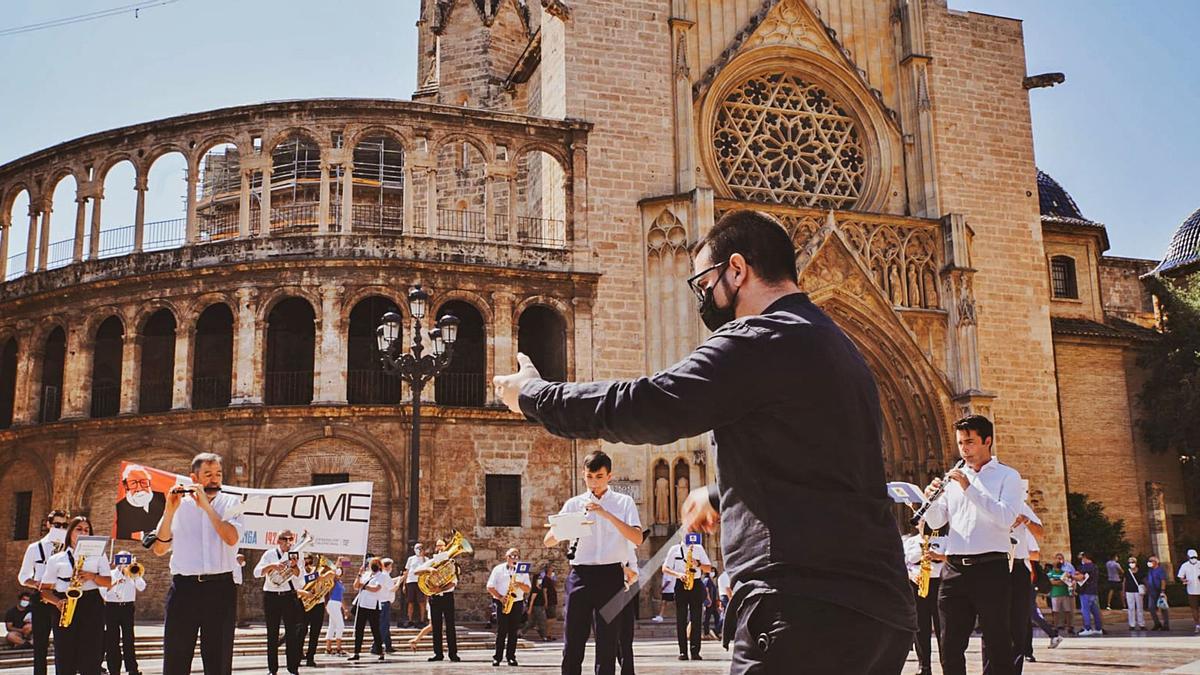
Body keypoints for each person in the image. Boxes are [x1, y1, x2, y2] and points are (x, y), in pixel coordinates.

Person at [497, 209, 915, 673]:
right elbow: (827, 461)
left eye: (704, 282)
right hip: (883, 614)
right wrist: (723, 492)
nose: (703, 298)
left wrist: (534, 396)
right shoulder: (839, 346)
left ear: (738, 269)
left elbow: (647, 404)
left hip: (802, 608)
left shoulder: (757, 337)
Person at [922, 414, 1023, 675]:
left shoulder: (1007, 477)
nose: (964, 449)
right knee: (950, 645)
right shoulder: (952, 480)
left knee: (998, 643)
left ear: (987, 441)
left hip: (991, 568)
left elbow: (1005, 518)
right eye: (960, 443)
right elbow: (937, 521)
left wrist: (969, 488)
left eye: (969, 442)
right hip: (954, 570)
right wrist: (926, 502)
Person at [538, 451, 642, 675]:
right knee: (573, 640)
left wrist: (606, 515)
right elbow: (548, 541)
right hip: (580, 575)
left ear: (609, 476)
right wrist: (569, 526)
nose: (593, 482)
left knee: (607, 643)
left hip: (611, 576)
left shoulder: (624, 502)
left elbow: (637, 538)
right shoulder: (574, 503)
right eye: (589, 476)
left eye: (599, 476)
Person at [150, 452, 244, 675]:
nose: (214, 480)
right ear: (194, 478)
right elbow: (160, 548)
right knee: (176, 657)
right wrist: (169, 510)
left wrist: (207, 508)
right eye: (208, 474)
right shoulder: (179, 504)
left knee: (218, 660)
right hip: (185, 589)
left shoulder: (233, 502)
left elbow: (231, 538)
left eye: (218, 474)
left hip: (220, 588)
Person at [40, 516, 112, 675]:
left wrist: (92, 576)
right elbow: (44, 591)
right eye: (79, 529)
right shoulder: (56, 559)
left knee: (92, 655)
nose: (83, 532)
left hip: (92, 603)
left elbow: (108, 582)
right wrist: (57, 602)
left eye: (87, 530)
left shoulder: (99, 556)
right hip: (64, 604)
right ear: (70, 532)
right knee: (65, 655)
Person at [17, 509, 69, 675]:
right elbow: (23, 576)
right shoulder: (35, 548)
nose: (61, 528)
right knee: (40, 644)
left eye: (65, 525)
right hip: (40, 598)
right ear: (48, 524)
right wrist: (37, 583)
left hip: (62, 598)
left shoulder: (69, 549)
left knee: (63, 643)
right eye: (57, 525)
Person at [253, 529, 308, 675]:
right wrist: (272, 566)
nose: (290, 542)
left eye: (291, 539)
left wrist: (295, 566)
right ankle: (272, 669)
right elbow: (256, 572)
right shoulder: (269, 554)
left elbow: (300, 579)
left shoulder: (297, 554)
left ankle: (293, 668)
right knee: (272, 633)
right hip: (271, 597)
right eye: (286, 539)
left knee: (292, 634)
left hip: (289, 596)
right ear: (279, 540)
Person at [904, 525, 946, 675]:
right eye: (923, 521)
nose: (926, 524)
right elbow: (903, 564)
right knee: (921, 626)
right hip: (918, 585)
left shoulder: (943, 540)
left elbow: (952, 559)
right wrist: (911, 576)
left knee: (943, 627)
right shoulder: (910, 542)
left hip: (939, 584)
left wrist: (937, 556)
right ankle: (924, 666)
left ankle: (946, 664)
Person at [662, 536, 712, 660]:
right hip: (681, 584)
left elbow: (709, 568)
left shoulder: (699, 548)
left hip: (696, 583)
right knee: (681, 618)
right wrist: (678, 574)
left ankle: (695, 651)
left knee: (696, 618)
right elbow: (665, 568)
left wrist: (698, 564)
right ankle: (683, 651)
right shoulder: (674, 549)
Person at [103, 551, 147, 675]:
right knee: (112, 640)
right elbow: (103, 592)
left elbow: (142, 587)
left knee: (129, 639)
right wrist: (115, 582)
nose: (124, 563)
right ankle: (114, 669)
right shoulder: (110, 574)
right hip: (111, 608)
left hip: (127, 608)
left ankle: (132, 668)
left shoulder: (133, 574)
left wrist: (135, 574)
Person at [418, 539, 461, 662]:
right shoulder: (431, 562)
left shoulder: (451, 564)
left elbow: (453, 583)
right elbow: (416, 571)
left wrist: (439, 588)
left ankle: (453, 654)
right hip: (434, 598)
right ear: (436, 548)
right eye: (438, 546)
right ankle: (438, 654)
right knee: (436, 626)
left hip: (447, 597)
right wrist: (429, 570)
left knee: (450, 626)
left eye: (442, 546)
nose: (440, 548)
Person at [487, 548, 531, 667]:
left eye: (517, 556)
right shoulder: (498, 569)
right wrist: (501, 597)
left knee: (513, 631)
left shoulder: (522, 570)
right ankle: (497, 657)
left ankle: (511, 657)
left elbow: (528, 589)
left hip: (517, 602)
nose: (515, 558)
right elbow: (489, 587)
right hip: (502, 601)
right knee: (501, 631)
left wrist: (519, 584)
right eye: (512, 556)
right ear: (507, 557)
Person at [348, 557, 386, 662]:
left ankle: (380, 651)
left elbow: (376, 588)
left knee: (375, 630)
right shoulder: (366, 574)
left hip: (373, 605)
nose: (373, 565)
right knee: (359, 629)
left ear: (379, 565)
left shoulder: (381, 576)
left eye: (375, 563)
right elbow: (356, 586)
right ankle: (356, 652)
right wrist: (359, 574)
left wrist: (364, 586)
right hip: (361, 604)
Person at [115, 465, 166, 541]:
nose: (139, 488)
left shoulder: (162, 498)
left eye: (144, 482)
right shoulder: (121, 508)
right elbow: (123, 538)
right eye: (133, 483)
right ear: (126, 486)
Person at [615, 542, 639, 675]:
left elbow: (635, 572)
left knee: (626, 636)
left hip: (624, 591)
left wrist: (628, 579)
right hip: (603, 594)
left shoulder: (628, 547)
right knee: (607, 638)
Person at [300, 553, 327, 667]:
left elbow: (330, 577)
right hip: (304, 604)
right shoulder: (299, 572)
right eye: (305, 560)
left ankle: (310, 657)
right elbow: (302, 581)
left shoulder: (318, 571)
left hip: (318, 604)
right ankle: (298, 654)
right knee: (301, 631)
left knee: (315, 633)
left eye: (309, 560)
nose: (307, 562)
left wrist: (324, 577)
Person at [1076, 552, 1103, 636]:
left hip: (1085, 591)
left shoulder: (1085, 567)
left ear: (1085, 558)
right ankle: (1098, 628)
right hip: (1094, 591)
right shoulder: (1095, 567)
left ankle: (1087, 628)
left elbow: (1080, 577)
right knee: (1095, 611)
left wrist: (1070, 576)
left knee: (1085, 610)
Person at [324, 557, 348, 656]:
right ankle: (338, 648)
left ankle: (328, 648)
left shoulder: (340, 582)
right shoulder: (332, 581)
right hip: (332, 603)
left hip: (337, 604)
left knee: (332, 626)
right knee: (340, 625)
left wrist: (345, 608)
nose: (340, 573)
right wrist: (338, 561)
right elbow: (333, 570)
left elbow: (341, 597)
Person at [401, 544, 428, 629]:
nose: (419, 550)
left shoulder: (426, 559)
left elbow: (427, 569)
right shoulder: (411, 559)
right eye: (417, 548)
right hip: (410, 582)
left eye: (420, 548)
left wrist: (423, 557)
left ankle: (422, 620)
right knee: (410, 602)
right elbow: (407, 571)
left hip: (421, 582)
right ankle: (410, 620)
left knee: (421, 602)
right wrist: (404, 584)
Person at [374, 558, 397, 654]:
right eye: (391, 566)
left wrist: (400, 578)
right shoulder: (385, 576)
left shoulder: (381, 575)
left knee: (385, 625)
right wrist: (399, 582)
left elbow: (389, 582)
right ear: (387, 567)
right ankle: (375, 647)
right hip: (384, 603)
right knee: (383, 626)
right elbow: (393, 588)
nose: (392, 568)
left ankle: (388, 646)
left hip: (380, 602)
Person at [526, 561, 551, 641]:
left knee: (532, 622)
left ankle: (521, 633)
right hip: (537, 604)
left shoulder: (539, 580)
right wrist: (530, 608)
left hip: (538, 603)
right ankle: (544, 636)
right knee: (542, 620)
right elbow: (534, 595)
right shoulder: (537, 584)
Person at [1177, 549, 1200, 634]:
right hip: (1191, 590)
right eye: (1191, 557)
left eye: (1194, 557)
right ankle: (1197, 625)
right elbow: (1180, 576)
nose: (1193, 559)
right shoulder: (1185, 566)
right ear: (1188, 557)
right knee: (1194, 608)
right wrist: (1184, 580)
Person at [1047, 560, 1072, 636]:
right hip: (1055, 594)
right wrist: (1061, 581)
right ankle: (1055, 626)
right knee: (1055, 611)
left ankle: (1068, 626)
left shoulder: (1064, 573)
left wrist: (1058, 581)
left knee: (1067, 611)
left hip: (1064, 594)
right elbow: (1052, 582)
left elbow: (1069, 582)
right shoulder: (1050, 573)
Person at [1146, 555, 1170, 632]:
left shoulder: (1160, 570)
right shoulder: (1150, 571)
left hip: (1159, 591)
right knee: (1151, 608)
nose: (1149, 562)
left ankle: (1166, 625)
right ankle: (1157, 623)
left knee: (1163, 608)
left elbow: (1163, 581)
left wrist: (1162, 591)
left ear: (1156, 562)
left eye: (1151, 561)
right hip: (1151, 592)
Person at [1123, 556, 1147, 631]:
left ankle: (1141, 624)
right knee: (1131, 608)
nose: (1131, 564)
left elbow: (1144, 580)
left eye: (1133, 562)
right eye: (1130, 562)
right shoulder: (1127, 572)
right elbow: (1124, 582)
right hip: (1129, 591)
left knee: (1140, 607)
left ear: (1136, 563)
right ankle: (1131, 624)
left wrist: (1146, 588)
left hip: (1138, 591)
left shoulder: (1140, 571)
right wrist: (1123, 591)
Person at [702, 571, 721, 640]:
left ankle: (717, 631)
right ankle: (706, 633)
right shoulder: (707, 580)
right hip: (709, 602)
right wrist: (709, 600)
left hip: (713, 602)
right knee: (707, 617)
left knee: (717, 616)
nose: (713, 572)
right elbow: (706, 590)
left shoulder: (711, 580)